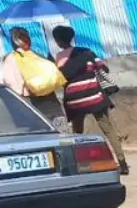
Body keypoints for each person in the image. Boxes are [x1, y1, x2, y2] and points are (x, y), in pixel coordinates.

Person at [52, 25, 127, 174]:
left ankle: (78, 164)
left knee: (77, 132)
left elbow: (59, 79)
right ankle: (122, 163)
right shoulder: (86, 52)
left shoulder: (59, 58)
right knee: (108, 129)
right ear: (71, 38)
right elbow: (104, 68)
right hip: (94, 96)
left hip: (74, 100)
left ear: (58, 41)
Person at [1, 26, 66, 128]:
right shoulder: (34, 56)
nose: (27, 41)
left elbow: (10, 85)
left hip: (32, 103)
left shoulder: (11, 59)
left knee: (43, 132)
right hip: (43, 101)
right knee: (57, 131)